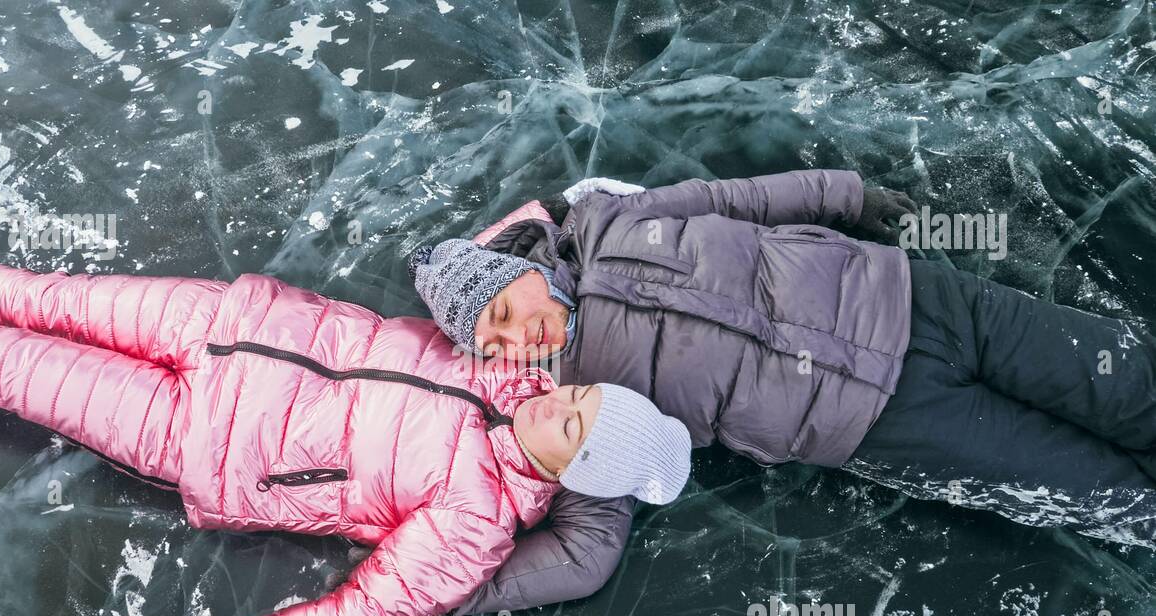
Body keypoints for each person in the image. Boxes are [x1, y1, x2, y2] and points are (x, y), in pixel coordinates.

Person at [0, 231, 693, 616]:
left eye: (574, 430)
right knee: (42, 294)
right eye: (579, 400)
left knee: (11, 369)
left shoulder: (473, 524)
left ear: (577, 472)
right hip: (228, 320)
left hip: (204, 437)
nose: (558, 406)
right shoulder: (506, 362)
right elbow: (483, 266)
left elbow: (363, 615)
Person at [407, 169, 1156, 591]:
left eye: (505, 309)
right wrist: (449, 590)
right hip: (883, 420)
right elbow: (586, 546)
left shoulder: (611, 219)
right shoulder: (580, 401)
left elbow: (738, 200)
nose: (516, 337)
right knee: (1097, 487)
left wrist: (847, 196)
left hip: (914, 298)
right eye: (494, 343)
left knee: (1126, 381)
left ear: (523, 271)